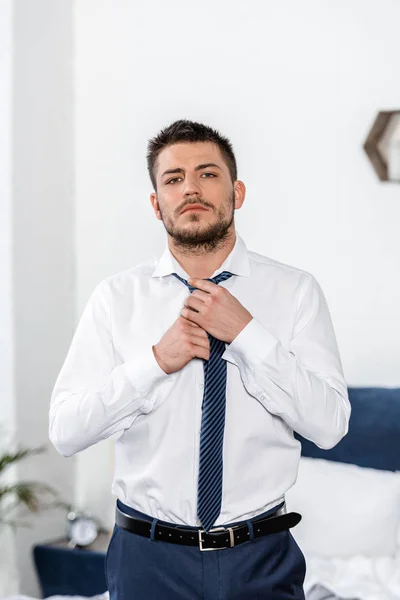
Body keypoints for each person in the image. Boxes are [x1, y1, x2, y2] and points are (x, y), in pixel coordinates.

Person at [49, 119, 351, 599]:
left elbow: (330, 425)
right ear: (156, 204)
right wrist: (153, 363)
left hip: (261, 558)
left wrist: (248, 335)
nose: (190, 187)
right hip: (147, 560)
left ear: (238, 191)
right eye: (173, 179)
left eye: (207, 173)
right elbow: (66, 431)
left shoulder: (295, 293)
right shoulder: (116, 299)